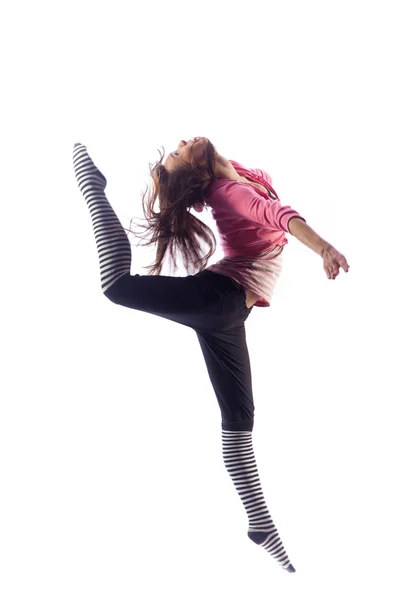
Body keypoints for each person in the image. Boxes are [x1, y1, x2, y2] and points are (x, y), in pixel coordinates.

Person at [72, 137, 350, 574]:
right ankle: (93, 188)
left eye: (177, 147)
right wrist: (324, 248)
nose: (182, 142)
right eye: (178, 151)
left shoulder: (234, 174)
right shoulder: (229, 192)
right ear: (197, 173)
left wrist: (191, 172)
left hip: (228, 310)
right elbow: (278, 215)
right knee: (116, 285)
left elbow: (230, 180)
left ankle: (259, 523)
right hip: (220, 301)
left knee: (240, 422)